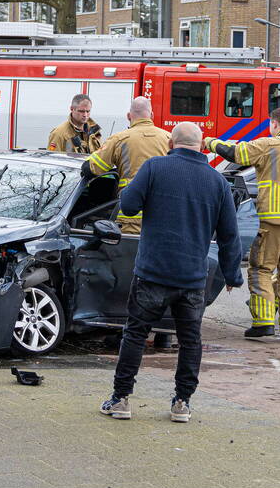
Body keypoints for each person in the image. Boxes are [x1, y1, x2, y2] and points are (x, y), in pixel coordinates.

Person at [100, 122, 242, 423]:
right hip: (192, 277)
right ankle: (182, 403)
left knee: (136, 333)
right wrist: (232, 276)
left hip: (152, 272)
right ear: (201, 146)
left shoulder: (155, 167)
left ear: (171, 144)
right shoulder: (217, 182)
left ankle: (122, 399)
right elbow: (230, 235)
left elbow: (127, 206)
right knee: (190, 340)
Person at [205, 107, 280, 344]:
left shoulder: (269, 144)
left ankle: (264, 323)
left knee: (261, 270)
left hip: (273, 221)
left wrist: (209, 141)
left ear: (275, 124)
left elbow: (236, 154)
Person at [84, 97, 170, 234]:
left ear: (129, 116)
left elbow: (90, 168)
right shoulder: (169, 139)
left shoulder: (119, 139)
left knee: (129, 254)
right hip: (163, 215)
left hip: (130, 217)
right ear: (152, 115)